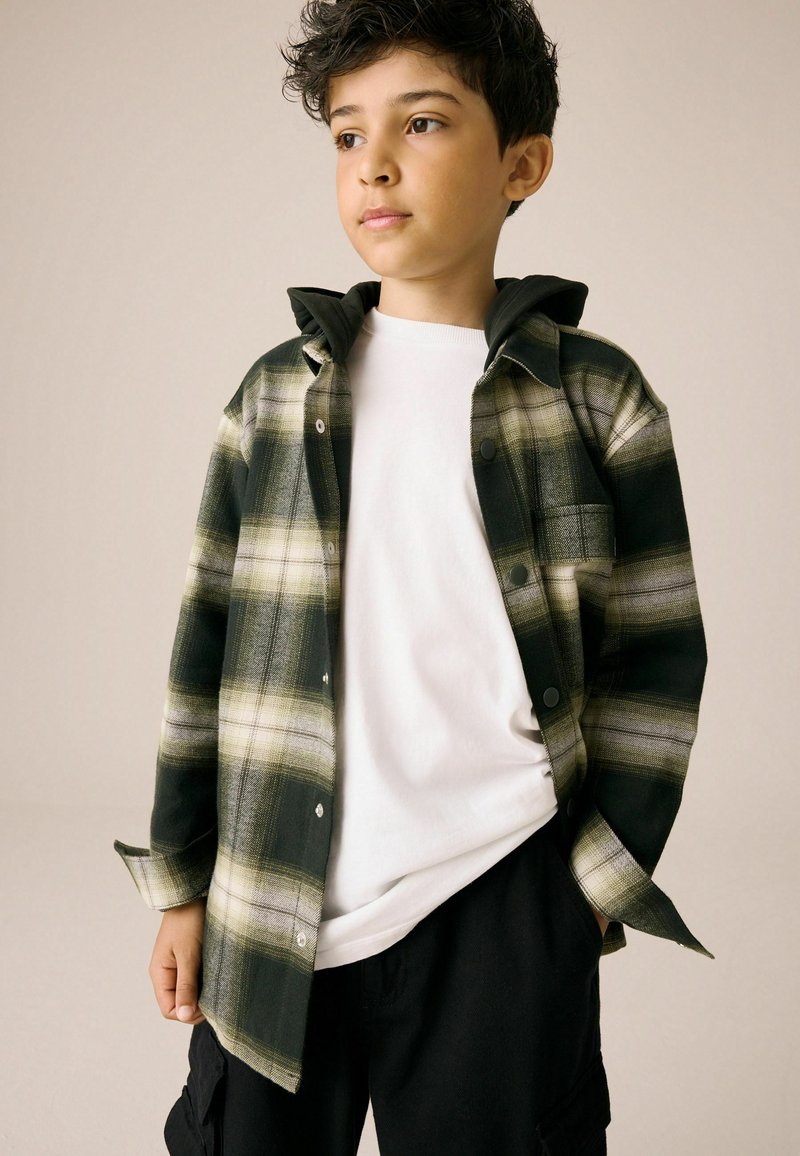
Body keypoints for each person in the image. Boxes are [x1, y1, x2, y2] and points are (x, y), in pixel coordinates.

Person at [113, 2, 711, 1152]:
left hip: (501, 892)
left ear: (520, 165)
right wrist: (181, 883)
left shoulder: (595, 400)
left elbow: (656, 657)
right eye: (347, 134)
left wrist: (591, 881)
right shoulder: (273, 398)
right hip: (275, 899)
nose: (373, 163)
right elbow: (203, 654)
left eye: (422, 122)